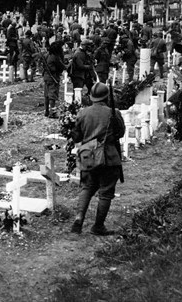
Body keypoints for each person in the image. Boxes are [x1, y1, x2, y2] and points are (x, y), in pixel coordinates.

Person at [70, 83, 125, 236]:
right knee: (106, 193)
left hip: (88, 156)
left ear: (91, 97)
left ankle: (79, 218)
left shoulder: (82, 113)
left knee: (87, 187)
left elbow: (77, 136)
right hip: (109, 157)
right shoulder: (114, 113)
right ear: (106, 97)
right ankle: (98, 226)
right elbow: (120, 133)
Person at [41, 41, 66, 118]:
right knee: (52, 94)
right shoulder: (55, 57)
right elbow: (62, 66)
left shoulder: (47, 55)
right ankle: (53, 112)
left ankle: (46, 111)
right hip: (53, 77)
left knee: (46, 94)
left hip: (46, 76)